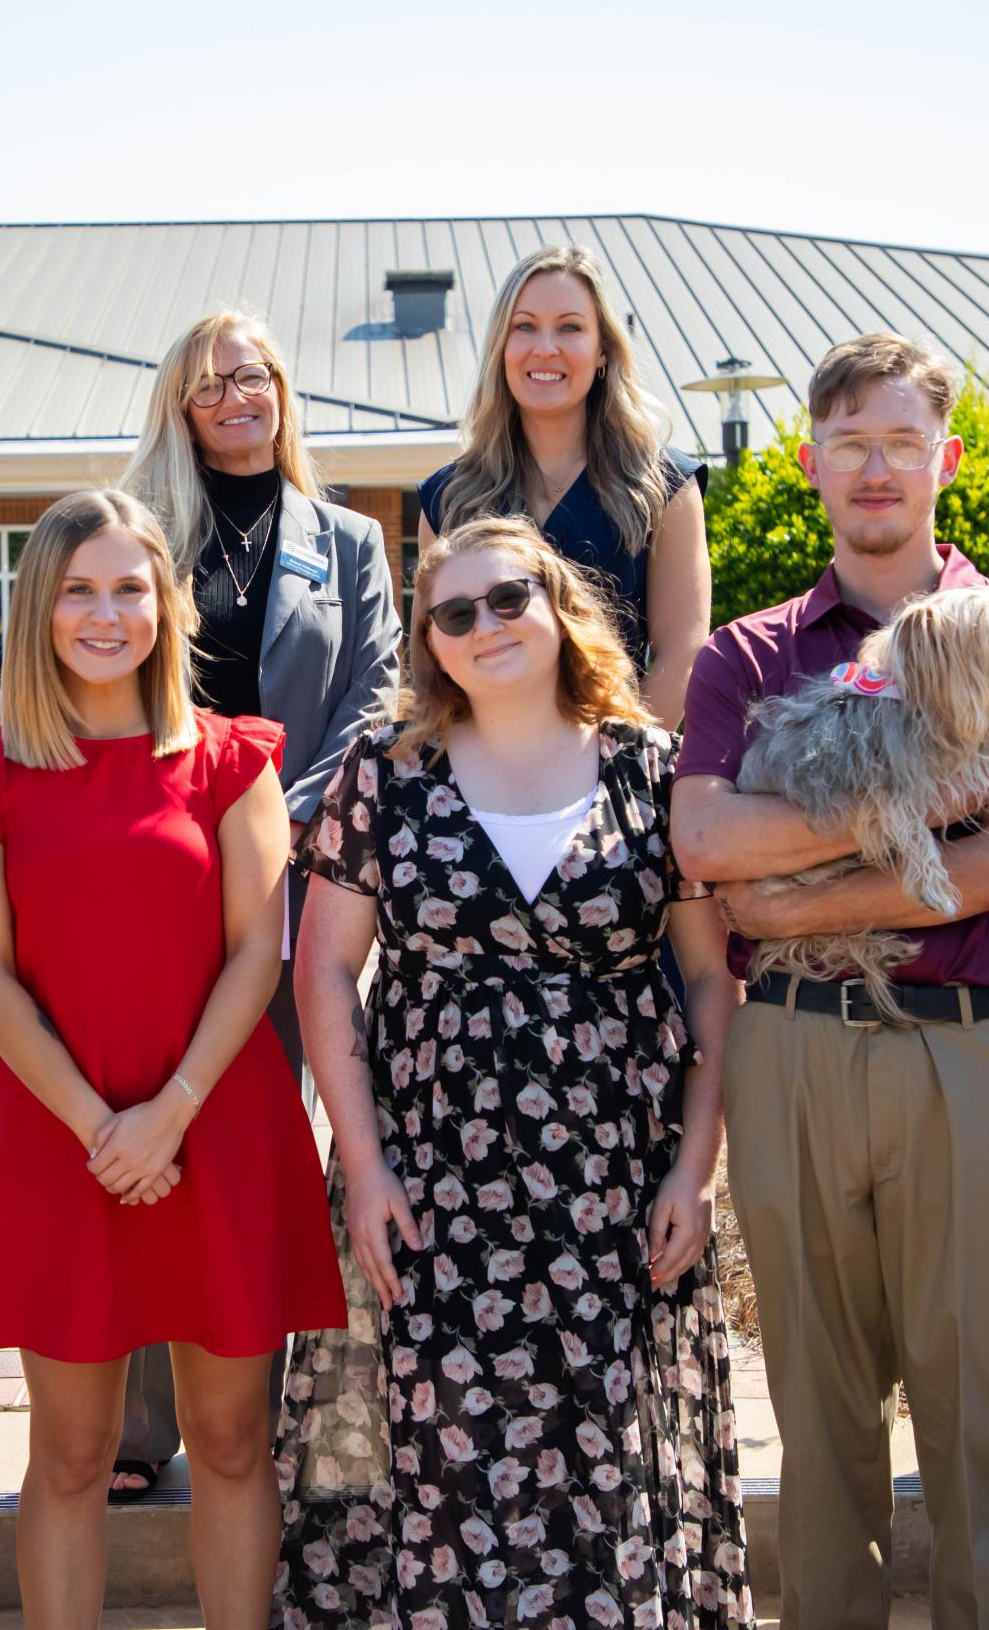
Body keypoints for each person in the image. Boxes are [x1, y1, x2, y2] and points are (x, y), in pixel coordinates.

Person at [671, 333, 989, 1630]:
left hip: (967, 1054)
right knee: (820, 1419)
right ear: (810, 461)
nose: (876, 467)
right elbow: (703, 846)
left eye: (901, 441)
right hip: (789, 1048)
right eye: (850, 441)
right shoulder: (746, 658)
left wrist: (796, 884)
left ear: (944, 460)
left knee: (978, 1413)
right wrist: (917, 800)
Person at [273, 515, 752, 1629]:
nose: (484, 625)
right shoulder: (382, 774)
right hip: (437, 1178)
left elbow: (709, 980)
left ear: (556, 607)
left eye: (507, 599)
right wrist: (364, 1164)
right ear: (428, 640)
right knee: (440, 1451)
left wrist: (695, 1167)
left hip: (613, 1182)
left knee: (606, 1451)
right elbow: (326, 974)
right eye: (455, 612)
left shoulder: (651, 771)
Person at [0, 489, 345, 1630]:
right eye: (78, 589)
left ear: (165, 603)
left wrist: (168, 1111)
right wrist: (101, 1126)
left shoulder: (229, 760)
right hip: (56, 1137)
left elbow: (262, 949)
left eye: (129, 587)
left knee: (226, 1439)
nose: (105, 613)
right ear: (39, 610)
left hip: (215, 1123)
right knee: (70, 1451)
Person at [115, 308, 403, 1497]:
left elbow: (376, 696)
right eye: (205, 385)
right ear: (178, 409)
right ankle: (137, 1429)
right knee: (145, 1121)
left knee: (260, 1140)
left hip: (294, 871)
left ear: (283, 388)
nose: (234, 397)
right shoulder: (139, 532)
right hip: (155, 871)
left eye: (250, 375)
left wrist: (281, 821)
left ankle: (262, 1410)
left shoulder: (346, 543)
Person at [419, 244, 711, 726]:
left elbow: (684, 648)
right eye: (525, 326)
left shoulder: (664, 486)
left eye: (570, 327)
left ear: (603, 352)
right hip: (481, 779)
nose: (546, 347)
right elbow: (432, 664)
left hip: (616, 770)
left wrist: (618, 765)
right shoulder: (448, 498)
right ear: (501, 349)